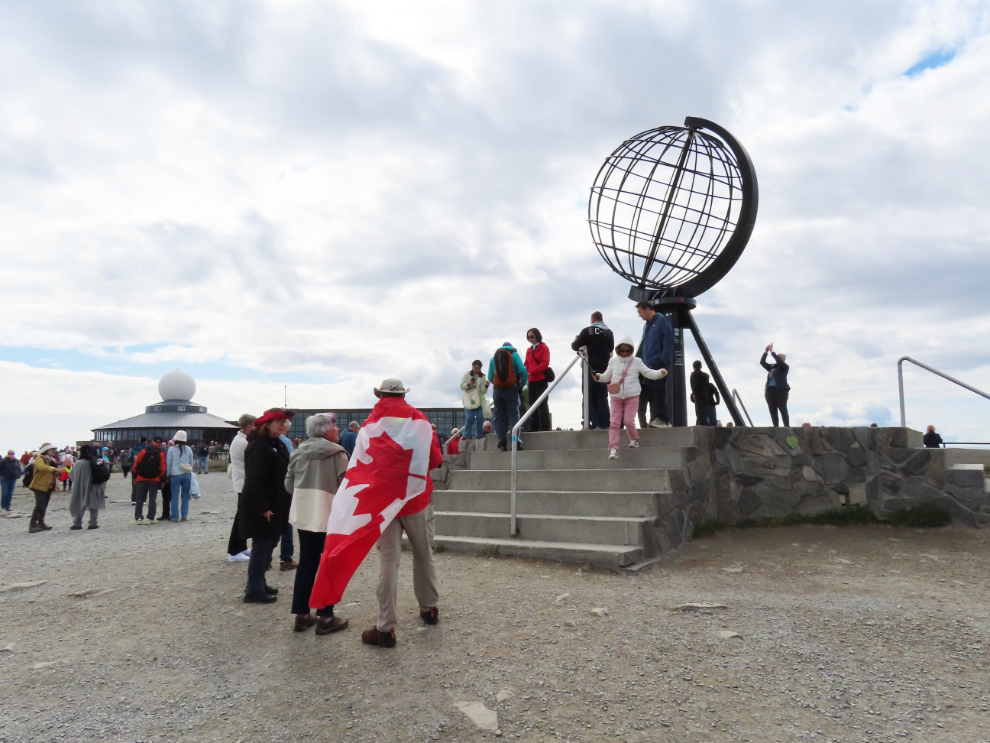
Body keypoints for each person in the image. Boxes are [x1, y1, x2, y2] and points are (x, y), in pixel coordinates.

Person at [355, 379, 443, 648]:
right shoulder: (420, 421)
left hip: (385, 504)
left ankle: (386, 628)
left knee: (389, 563)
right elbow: (436, 459)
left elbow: (362, 465)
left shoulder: (370, 425)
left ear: (380, 395)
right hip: (416, 499)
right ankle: (429, 609)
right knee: (423, 554)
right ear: (404, 394)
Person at [285, 412, 350, 634]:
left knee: (306, 563)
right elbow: (345, 487)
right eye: (334, 426)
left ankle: (301, 615)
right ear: (325, 430)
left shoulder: (297, 453)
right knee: (328, 565)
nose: (337, 430)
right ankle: (325, 616)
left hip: (304, 515)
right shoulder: (338, 454)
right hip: (330, 516)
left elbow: (288, 486)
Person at [238, 408, 295, 604]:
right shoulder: (259, 446)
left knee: (270, 543)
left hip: (277, 502)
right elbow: (254, 479)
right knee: (262, 545)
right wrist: (263, 507)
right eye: (278, 421)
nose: (283, 425)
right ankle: (254, 588)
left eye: (285, 422)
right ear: (266, 424)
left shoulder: (275, 443)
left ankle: (259, 582)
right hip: (264, 504)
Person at [595, 335, 668, 460]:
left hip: (632, 396)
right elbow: (607, 376)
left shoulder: (637, 361)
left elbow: (648, 373)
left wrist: (660, 373)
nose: (624, 353)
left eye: (627, 351)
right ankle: (613, 448)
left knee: (628, 421)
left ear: (631, 351)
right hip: (616, 397)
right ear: (618, 350)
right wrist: (598, 377)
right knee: (614, 423)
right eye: (622, 351)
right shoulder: (613, 361)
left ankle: (634, 439)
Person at [572, 311, 614, 430]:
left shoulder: (587, 331)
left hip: (589, 368)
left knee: (589, 396)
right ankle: (604, 423)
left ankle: (592, 422)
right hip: (605, 368)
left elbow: (575, 346)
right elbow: (611, 348)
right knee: (603, 396)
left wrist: (576, 340)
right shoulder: (609, 333)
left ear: (592, 319)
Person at [635, 301, 674, 428]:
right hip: (648, 364)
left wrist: (664, 358)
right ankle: (659, 418)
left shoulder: (662, 320)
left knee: (659, 389)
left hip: (659, 361)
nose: (639, 315)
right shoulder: (646, 326)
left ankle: (662, 418)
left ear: (647, 309)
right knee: (653, 391)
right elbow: (644, 345)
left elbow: (668, 338)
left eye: (640, 312)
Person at [488, 341, 528, 452]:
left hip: (497, 391)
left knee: (499, 416)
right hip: (511, 389)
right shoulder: (514, 355)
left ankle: (502, 442)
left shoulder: (493, 358)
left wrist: (498, 383)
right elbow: (523, 371)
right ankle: (515, 441)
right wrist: (521, 383)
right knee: (514, 415)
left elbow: (490, 376)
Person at [227, 414, 256, 563]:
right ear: (249, 426)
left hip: (242, 482)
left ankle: (241, 546)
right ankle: (234, 550)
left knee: (243, 516)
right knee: (241, 517)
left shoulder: (241, 440)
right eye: (255, 425)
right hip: (244, 484)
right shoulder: (243, 442)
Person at [69, 445, 108, 530]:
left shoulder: (78, 463)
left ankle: (77, 523)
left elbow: (72, 475)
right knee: (94, 504)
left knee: (80, 504)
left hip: (80, 487)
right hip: (95, 485)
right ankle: (93, 523)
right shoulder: (95, 461)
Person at [28, 444, 65, 533]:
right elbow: (42, 468)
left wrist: (58, 473)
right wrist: (55, 470)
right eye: (51, 449)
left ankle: (41, 522)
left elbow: (51, 472)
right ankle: (32, 525)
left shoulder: (50, 460)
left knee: (44, 505)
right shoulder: (40, 459)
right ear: (46, 450)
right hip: (39, 485)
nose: (53, 451)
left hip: (48, 486)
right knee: (39, 505)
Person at [524, 328, 552, 432]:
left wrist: (533, 371)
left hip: (541, 379)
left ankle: (545, 426)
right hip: (531, 380)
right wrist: (525, 372)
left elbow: (545, 363)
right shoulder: (529, 350)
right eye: (528, 337)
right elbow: (526, 364)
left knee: (542, 403)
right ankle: (534, 426)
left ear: (537, 336)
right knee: (532, 403)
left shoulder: (544, 347)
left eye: (532, 336)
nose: (530, 339)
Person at [133, 436, 165, 524]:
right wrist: (162, 479)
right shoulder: (160, 453)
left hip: (141, 478)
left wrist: (135, 477)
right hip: (154, 479)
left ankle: (138, 517)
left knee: (139, 499)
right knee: (152, 499)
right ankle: (150, 517)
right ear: (160, 444)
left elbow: (136, 466)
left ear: (152, 442)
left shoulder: (143, 452)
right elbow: (162, 468)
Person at [166, 430, 195, 522]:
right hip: (186, 474)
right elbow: (191, 462)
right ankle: (184, 516)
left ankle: (174, 517)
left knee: (174, 496)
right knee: (185, 496)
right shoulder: (189, 449)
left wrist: (167, 475)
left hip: (175, 474)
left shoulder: (171, 449)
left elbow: (168, 463)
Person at [460, 360, 489, 446]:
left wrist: (486, 386)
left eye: (478, 368)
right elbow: (462, 386)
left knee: (480, 417)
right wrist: (469, 384)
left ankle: (479, 435)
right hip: (469, 399)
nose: (476, 369)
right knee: (470, 418)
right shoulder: (467, 375)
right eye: (474, 367)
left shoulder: (482, 377)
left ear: (480, 368)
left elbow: (483, 391)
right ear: (472, 367)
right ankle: (466, 434)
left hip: (479, 400)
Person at [760, 343, 790, 427]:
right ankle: (775, 426)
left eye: (779, 357)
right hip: (770, 390)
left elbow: (779, 362)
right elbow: (762, 362)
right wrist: (766, 352)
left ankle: (786, 426)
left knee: (782, 408)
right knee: (772, 409)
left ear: (783, 359)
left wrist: (772, 353)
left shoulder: (784, 367)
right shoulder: (772, 367)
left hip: (780, 390)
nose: (777, 358)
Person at [690, 360, 718, 427]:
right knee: (705, 412)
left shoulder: (694, 374)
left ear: (693, 367)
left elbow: (694, 385)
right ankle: (704, 424)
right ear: (701, 366)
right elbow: (716, 392)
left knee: (699, 412)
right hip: (705, 396)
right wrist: (717, 401)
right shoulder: (705, 376)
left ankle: (701, 424)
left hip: (698, 395)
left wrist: (694, 393)